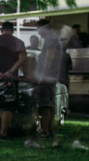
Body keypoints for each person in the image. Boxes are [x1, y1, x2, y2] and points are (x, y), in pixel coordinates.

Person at [27, 18, 64, 147]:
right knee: (50, 104)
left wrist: (42, 74)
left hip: (47, 77)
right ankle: (49, 129)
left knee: (44, 104)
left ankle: (44, 129)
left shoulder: (51, 39)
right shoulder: (54, 38)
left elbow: (49, 56)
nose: (38, 32)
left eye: (38, 28)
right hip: (52, 77)